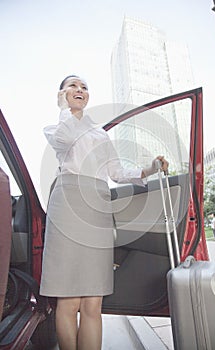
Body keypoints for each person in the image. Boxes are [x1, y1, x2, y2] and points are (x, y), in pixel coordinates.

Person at [39, 74, 169, 350]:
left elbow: (116, 172)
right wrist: (65, 109)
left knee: (93, 301)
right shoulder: (56, 127)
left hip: (97, 208)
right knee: (68, 299)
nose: (80, 90)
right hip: (68, 206)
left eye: (84, 87)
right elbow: (65, 139)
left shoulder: (100, 135)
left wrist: (149, 169)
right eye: (72, 86)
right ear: (60, 94)